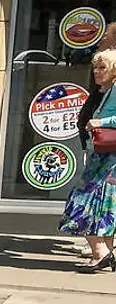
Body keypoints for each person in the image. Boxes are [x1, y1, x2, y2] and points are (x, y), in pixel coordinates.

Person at [61, 47, 116, 271]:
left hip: (108, 156)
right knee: (105, 203)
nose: (97, 71)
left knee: (82, 200)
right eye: (95, 67)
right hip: (102, 155)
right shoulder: (104, 91)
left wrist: (100, 122)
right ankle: (106, 253)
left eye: (102, 67)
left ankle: (101, 253)